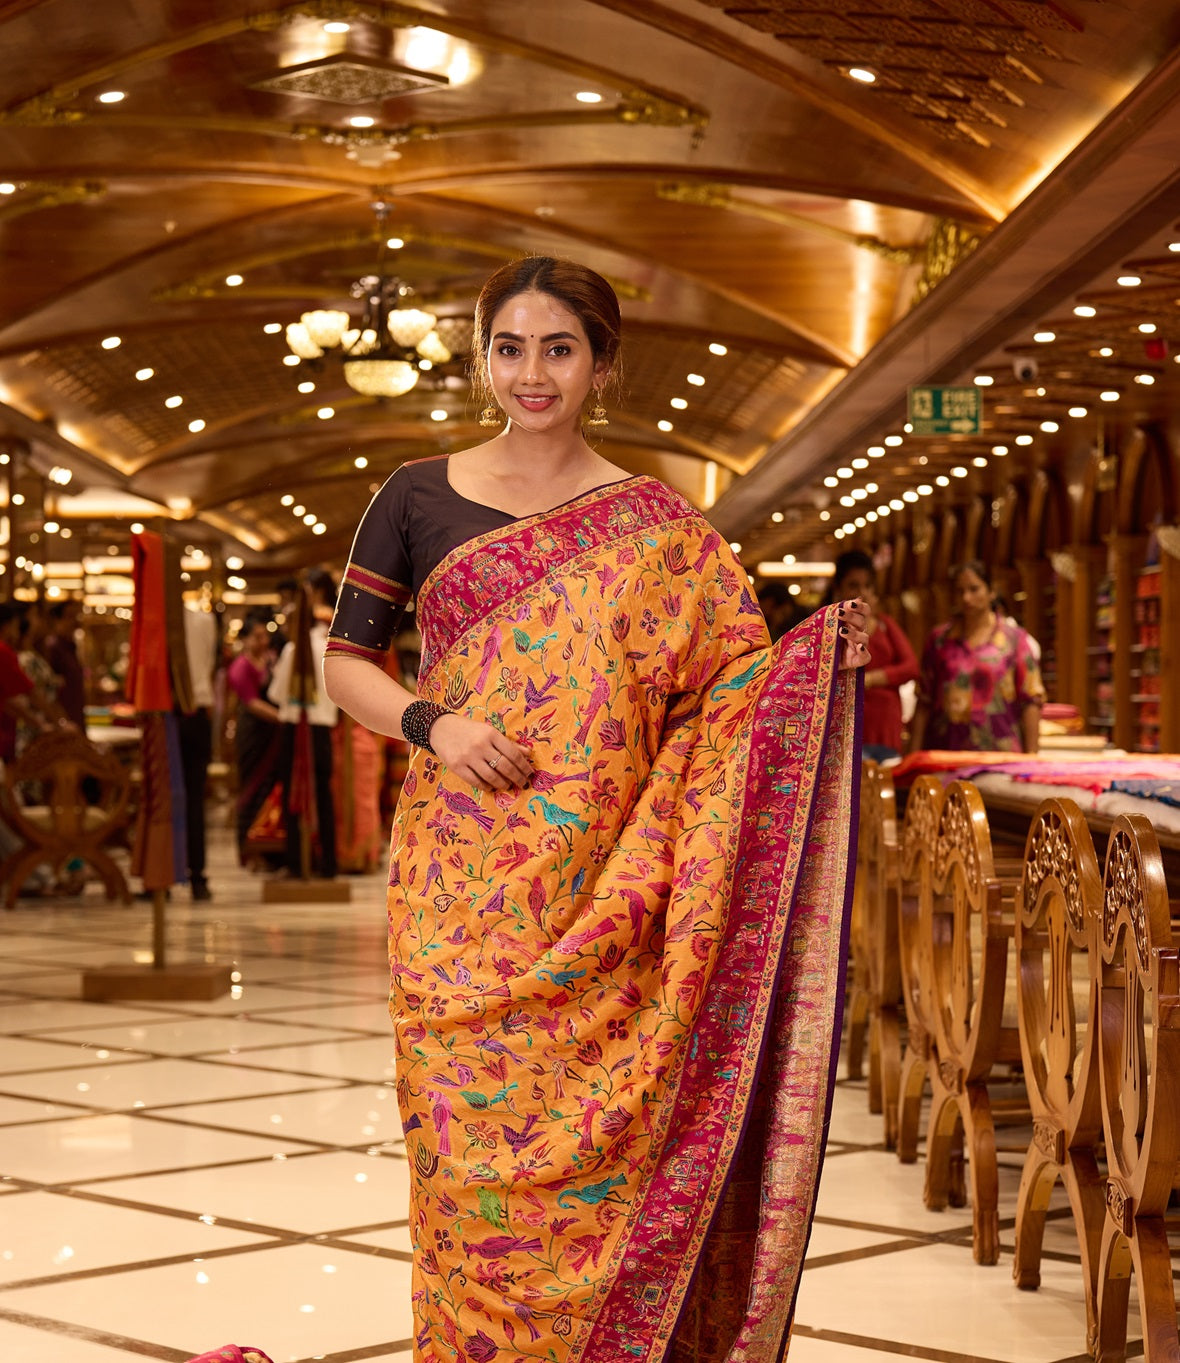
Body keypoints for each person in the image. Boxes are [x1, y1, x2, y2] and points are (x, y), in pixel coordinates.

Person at [321, 256, 869, 1363]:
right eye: (510, 347)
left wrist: (817, 667)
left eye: (558, 348)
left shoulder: (662, 526)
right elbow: (345, 663)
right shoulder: (413, 494)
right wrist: (438, 723)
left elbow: (732, 691)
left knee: (608, 1153)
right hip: (459, 893)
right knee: (465, 1159)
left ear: (603, 364)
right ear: (481, 359)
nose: (532, 373)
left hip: (613, 893)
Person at [910, 558, 1045, 754]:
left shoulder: (1014, 640)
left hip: (1000, 754)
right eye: (960, 591)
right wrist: (914, 756)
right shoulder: (939, 640)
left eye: (974, 589)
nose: (966, 598)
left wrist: (1033, 757)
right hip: (946, 753)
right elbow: (924, 700)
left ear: (991, 592)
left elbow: (1031, 699)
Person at [271, 569, 339, 879]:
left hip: (295, 730)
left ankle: (297, 863)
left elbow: (277, 694)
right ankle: (328, 865)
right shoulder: (328, 649)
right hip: (322, 729)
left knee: (294, 796)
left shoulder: (293, 650)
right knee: (323, 796)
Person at [827, 549, 917, 761]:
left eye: (867, 586)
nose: (862, 592)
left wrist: (871, 679)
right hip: (847, 726)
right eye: (853, 585)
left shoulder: (885, 624)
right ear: (838, 588)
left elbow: (911, 666)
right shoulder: (830, 627)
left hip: (886, 727)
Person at [226, 612, 281, 866]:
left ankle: (267, 848)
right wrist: (283, 717)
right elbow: (252, 702)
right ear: (245, 639)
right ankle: (247, 850)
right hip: (253, 735)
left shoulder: (270, 661)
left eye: (265, 636)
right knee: (251, 790)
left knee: (269, 790)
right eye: (257, 637)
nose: (263, 641)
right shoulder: (240, 667)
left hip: (272, 735)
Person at [179, 602, 218, 900]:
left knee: (189, 798)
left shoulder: (202, 621)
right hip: (191, 714)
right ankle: (196, 877)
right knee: (190, 799)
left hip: (183, 715)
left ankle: (194, 875)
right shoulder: (203, 622)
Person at [42, 598, 85, 728]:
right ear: (57, 620)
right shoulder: (53, 648)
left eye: (77, 616)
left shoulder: (70, 647)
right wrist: (61, 720)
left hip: (74, 718)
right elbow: (48, 690)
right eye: (70, 616)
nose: (75, 621)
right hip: (62, 723)